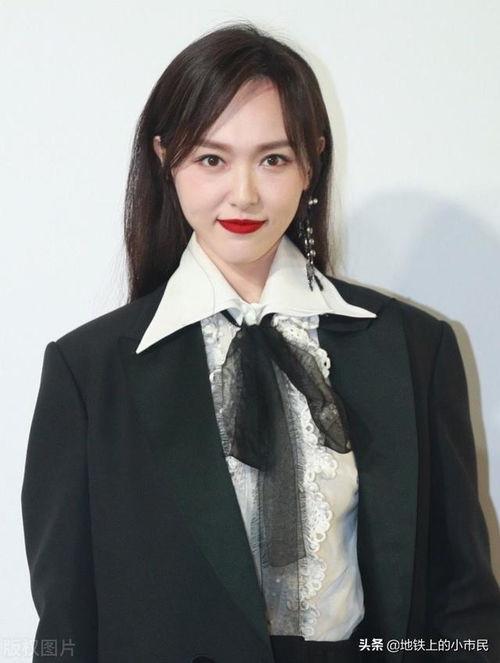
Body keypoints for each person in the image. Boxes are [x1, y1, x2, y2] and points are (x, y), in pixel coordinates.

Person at [21, 21, 500, 663]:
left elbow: (464, 606)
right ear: (165, 159)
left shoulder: (416, 348)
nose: (243, 194)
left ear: (311, 162)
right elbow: (64, 631)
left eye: (273, 159)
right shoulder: (87, 373)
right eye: (211, 159)